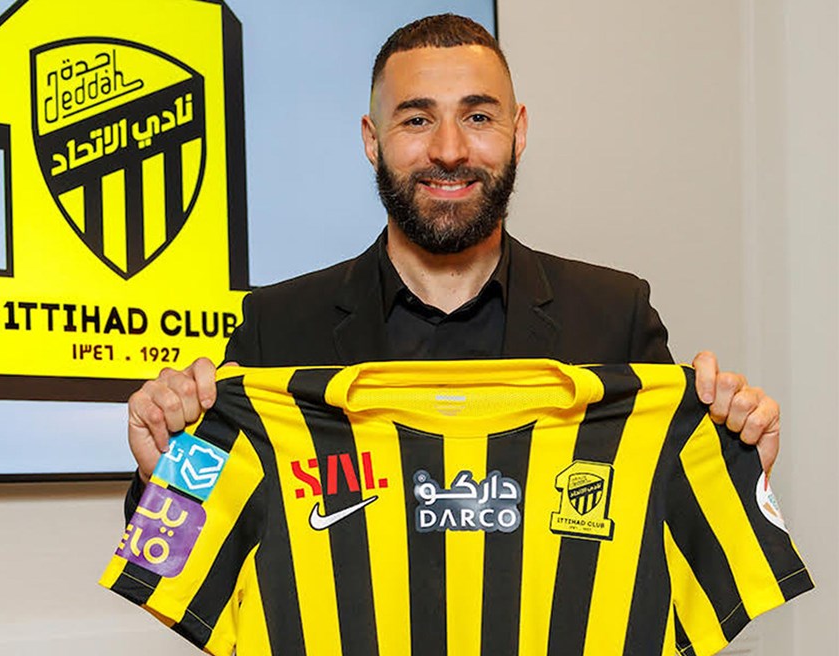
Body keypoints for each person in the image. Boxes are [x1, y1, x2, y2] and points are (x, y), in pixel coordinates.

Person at [124, 14, 780, 508]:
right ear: (372, 140)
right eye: (416, 120)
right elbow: (183, 554)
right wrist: (164, 472)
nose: (448, 149)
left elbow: (675, 547)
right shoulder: (278, 329)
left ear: (518, 132)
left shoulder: (615, 318)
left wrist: (742, 461)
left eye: (479, 117)